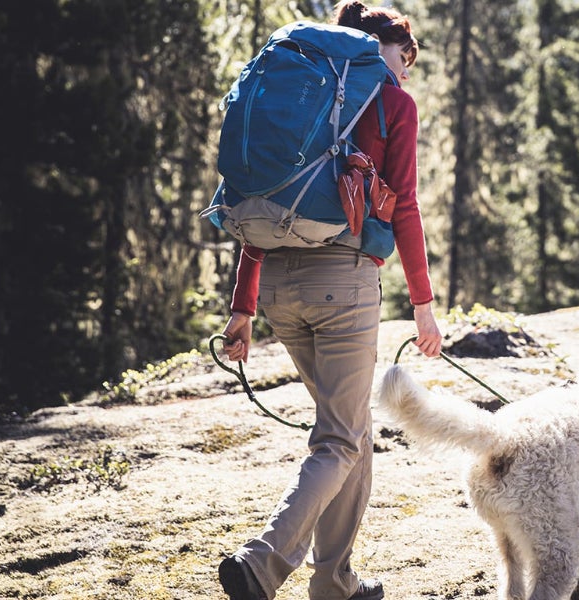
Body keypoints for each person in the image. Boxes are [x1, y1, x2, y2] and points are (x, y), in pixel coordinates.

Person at [216, 2, 442, 599]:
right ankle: (263, 562)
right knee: (341, 439)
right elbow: (409, 206)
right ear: (378, 45)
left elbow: (268, 203)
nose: (407, 68)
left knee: (352, 430)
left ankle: (335, 583)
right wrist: (423, 304)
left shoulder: (306, 97)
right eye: (405, 53)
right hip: (342, 283)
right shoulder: (392, 101)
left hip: (279, 290)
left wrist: (243, 308)